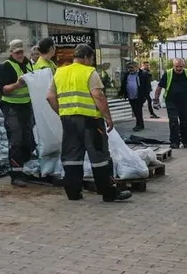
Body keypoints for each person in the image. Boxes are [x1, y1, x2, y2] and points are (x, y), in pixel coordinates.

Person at [46, 44, 131, 203]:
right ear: (86, 57)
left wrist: (62, 112)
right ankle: (108, 193)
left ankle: (73, 192)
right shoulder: (90, 72)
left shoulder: (60, 72)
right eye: (91, 59)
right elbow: (98, 96)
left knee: (71, 156)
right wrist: (108, 117)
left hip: (68, 120)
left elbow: (50, 97)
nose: (91, 62)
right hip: (90, 121)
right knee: (99, 156)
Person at [0, 40, 36, 186]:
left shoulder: (27, 63)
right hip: (12, 107)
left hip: (26, 106)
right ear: (11, 52)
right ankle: (16, 174)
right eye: (17, 52)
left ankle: (23, 167)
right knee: (16, 139)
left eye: (21, 52)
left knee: (28, 139)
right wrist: (17, 85)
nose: (20, 55)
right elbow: (3, 89)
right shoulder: (7, 67)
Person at [153, 59, 187, 149]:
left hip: (184, 101)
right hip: (171, 101)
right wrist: (156, 100)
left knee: (185, 121)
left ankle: (186, 141)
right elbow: (159, 87)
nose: (179, 68)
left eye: (181, 66)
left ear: (184, 66)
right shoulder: (168, 74)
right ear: (173, 66)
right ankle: (174, 142)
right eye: (177, 66)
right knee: (173, 122)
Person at [119, 63, 153, 131]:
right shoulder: (126, 75)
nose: (130, 69)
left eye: (132, 67)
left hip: (139, 96)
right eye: (129, 68)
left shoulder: (143, 74)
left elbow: (147, 85)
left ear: (137, 67)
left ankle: (140, 125)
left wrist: (146, 95)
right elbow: (123, 84)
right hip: (130, 95)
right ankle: (139, 124)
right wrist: (121, 93)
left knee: (138, 110)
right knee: (135, 110)